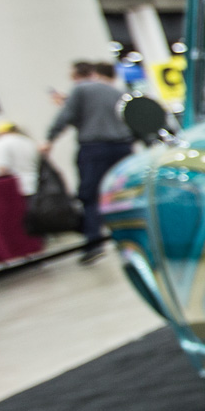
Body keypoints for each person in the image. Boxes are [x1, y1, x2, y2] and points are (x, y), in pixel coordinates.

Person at [44, 60, 132, 263]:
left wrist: (49, 139)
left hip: (95, 149)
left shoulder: (80, 90)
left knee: (90, 196)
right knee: (121, 193)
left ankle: (93, 243)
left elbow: (66, 116)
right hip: (122, 147)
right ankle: (128, 237)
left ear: (76, 75)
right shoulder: (114, 91)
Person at [0, 121, 41, 196]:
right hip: (39, 183)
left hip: (20, 187)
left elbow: (2, 168)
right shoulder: (28, 141)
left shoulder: (1, 143)